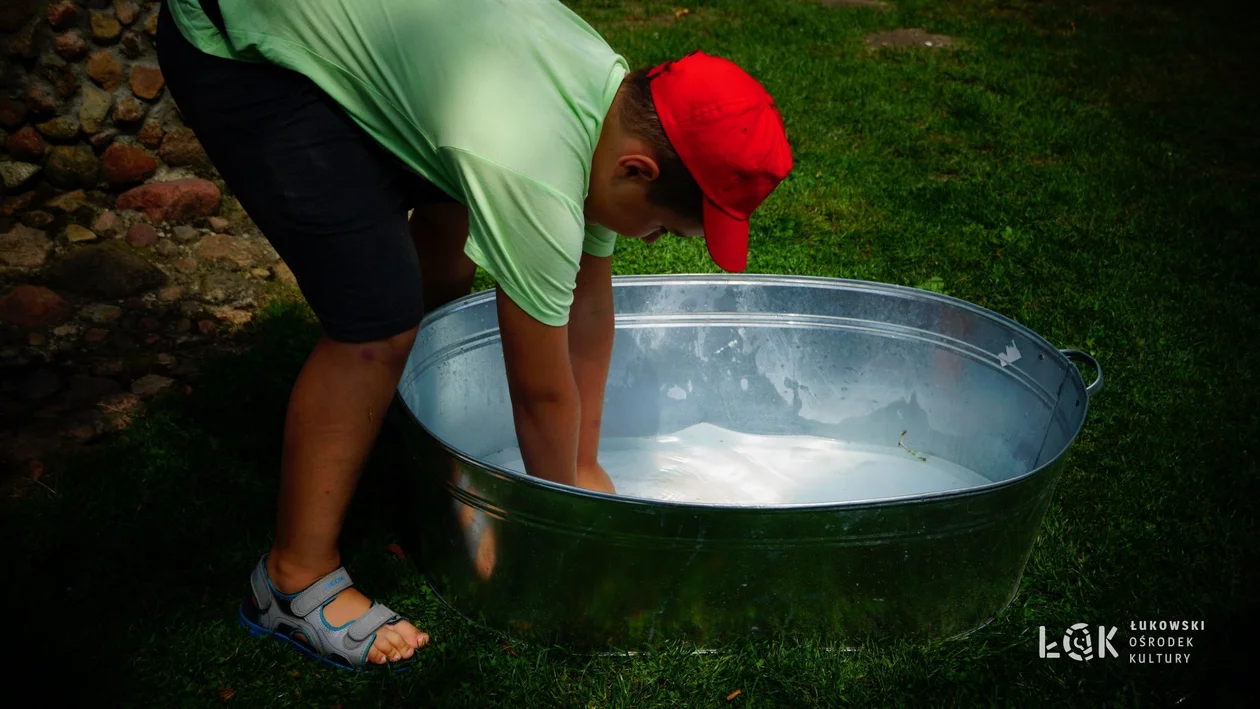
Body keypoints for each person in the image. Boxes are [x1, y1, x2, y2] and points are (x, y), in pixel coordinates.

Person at [157, 0, 792, 671]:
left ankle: (392, 431)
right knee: (377, 318)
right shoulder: (536, 170)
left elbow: (587, 307)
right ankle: (292, 580)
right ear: (638, 170)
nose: (657, 240)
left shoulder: (608, 103)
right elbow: (541, 391)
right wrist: (567, 534)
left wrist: (586, 465)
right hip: (237, 39)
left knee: (446, 243)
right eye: (665, 227)